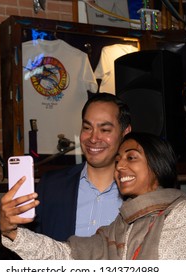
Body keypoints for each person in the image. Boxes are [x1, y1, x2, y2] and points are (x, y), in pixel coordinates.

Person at [0, 132, 186, 259]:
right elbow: (67, 255)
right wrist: (12, 232)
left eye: (131, 158)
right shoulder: (120, 227)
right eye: (118, 160)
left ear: (158, 164)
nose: (119, 167)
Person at [31, 93, 131, 241]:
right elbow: (30, 247)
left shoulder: (139, 192)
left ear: (125, 133)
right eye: (87, 127)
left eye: (104, 130)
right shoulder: (51, 186)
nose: (93, 138)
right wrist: (8, 227)